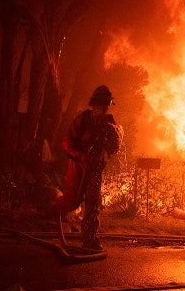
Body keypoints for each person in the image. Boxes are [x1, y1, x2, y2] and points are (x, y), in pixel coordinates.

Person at [54, 85, 122, 251]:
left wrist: (106, 147)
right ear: (94, 104)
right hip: (77, 167)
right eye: (101, 106)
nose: (103, 109)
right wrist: (81, 155)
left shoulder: (109, 123)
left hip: (94, 169)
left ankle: (89, 239)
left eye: (106, 107)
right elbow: (67, 141)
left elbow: (115, 147)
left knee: (92, 204)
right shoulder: (83, 119)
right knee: (72, 200)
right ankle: (54, 211)